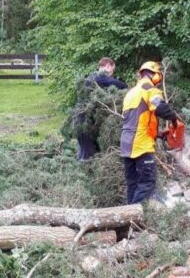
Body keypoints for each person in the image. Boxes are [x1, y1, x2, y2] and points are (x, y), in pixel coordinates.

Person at [120, 61, 179, 204]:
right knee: (147, 182)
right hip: (140, 146)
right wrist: (174, 119)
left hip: (126, 144)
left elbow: (136, 120)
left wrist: (158, 134)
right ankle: (135, 214)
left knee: (133, 184)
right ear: (156, 75)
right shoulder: (148, 88)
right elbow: (161, 108)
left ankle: (128, 218)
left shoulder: (131, 93)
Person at [76, 57, 127, 161]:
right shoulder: (97, 77)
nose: (112, 73)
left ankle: (83, 169)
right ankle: (84, 172)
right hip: (84, 120)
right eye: (113, 69)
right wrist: (127, 89)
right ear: (108, 66)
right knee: (88, 155)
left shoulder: (95, 79)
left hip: (84, 119)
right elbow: (115, 83)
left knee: (87, 151)